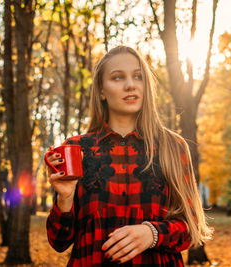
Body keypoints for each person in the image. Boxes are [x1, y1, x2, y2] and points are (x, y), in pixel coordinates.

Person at [46, 46, 212, 266]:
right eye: (117, 77)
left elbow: (191, 230)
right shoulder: (76, 149)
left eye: (138, 76)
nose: (130, 84)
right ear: (102, 91)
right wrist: (64, 199)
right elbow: (58, 241)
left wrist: (151, 233)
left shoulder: (173, 146)